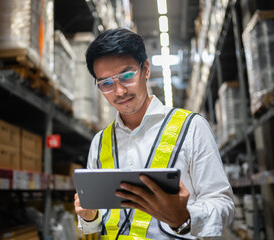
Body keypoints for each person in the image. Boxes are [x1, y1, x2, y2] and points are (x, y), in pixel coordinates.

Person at [74, 28, 235, 239]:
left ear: (146, 69)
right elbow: (95, 225)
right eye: (106, 83)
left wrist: (184, 218)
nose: (119, 91)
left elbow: (223, 205)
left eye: (127, 76)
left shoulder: (191, 127)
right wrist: (88, 217)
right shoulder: (99, 142)